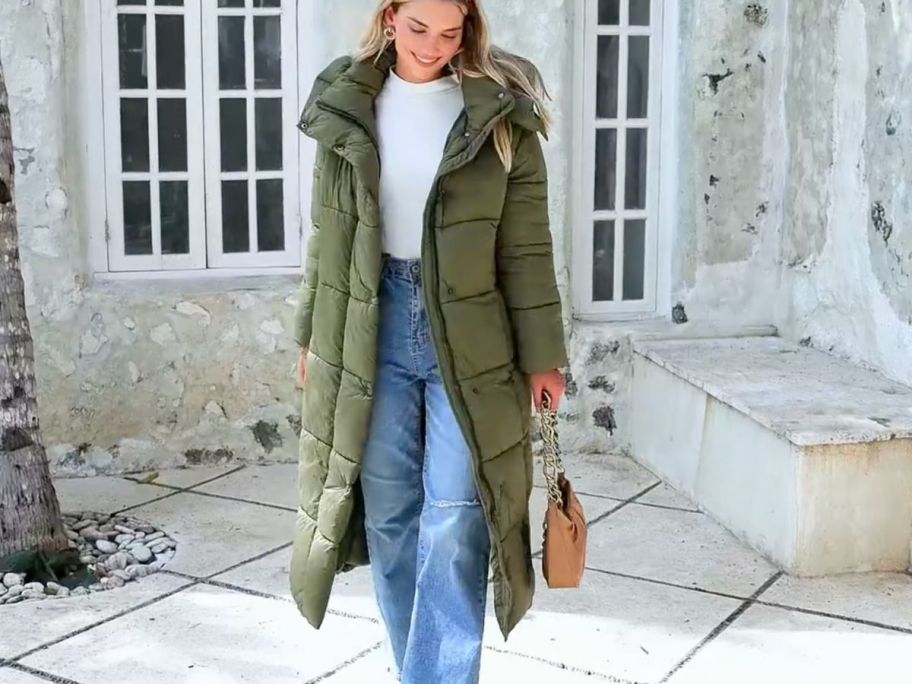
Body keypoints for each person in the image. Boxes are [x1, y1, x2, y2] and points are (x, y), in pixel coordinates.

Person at [289, 1, 568, 681]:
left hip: (471, 331)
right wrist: (310, 335)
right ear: (389, 17)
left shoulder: (500, 112)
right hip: (368, 322)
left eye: (450, 33)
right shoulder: (349, 99)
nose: (433, 46)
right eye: (419, 28)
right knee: (390, 515)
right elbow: (327, 234)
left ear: (468, 27)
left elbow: (526, 246)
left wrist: (544, 356)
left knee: (454, 514)